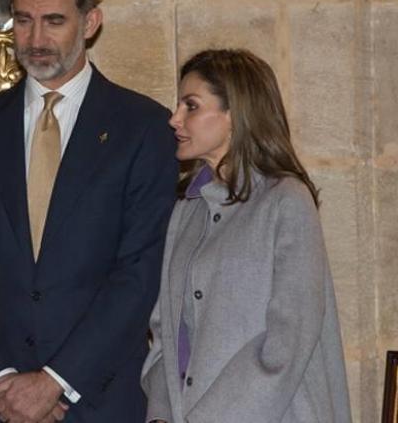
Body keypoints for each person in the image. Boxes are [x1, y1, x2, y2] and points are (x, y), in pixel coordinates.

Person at [0, 0, 178, 422]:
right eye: (23, 20)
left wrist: (56, 380)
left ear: (91, 21)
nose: (35, 39)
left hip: (98, 401)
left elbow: (140, 272)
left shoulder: (143, 129)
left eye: (54, 21)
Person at [141, 49, 351, 422]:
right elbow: (165, 333)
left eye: (191, 106)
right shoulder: (187, 209)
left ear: (235, 115)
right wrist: (160, 413)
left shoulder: (286, 201)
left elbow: (288, 340)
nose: (174, 119)